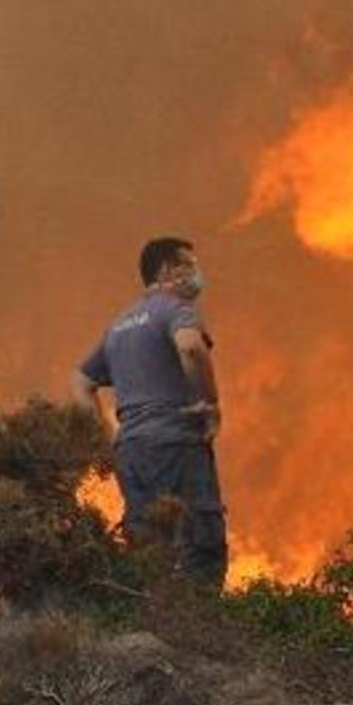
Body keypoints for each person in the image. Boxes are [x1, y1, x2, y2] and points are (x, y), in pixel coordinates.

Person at [71, 237, 227, 587]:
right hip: (176, 443)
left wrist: (107, 440)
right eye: (190, 265)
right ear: (168, 271)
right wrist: (210, 404)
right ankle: (203, 633)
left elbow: (80, 381)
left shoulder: (119, 326)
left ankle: (153, 628)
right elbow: (190, 348)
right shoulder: (174, 309)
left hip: (132, 452)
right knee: (200, 546)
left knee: (148, 550)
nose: (196, 273)